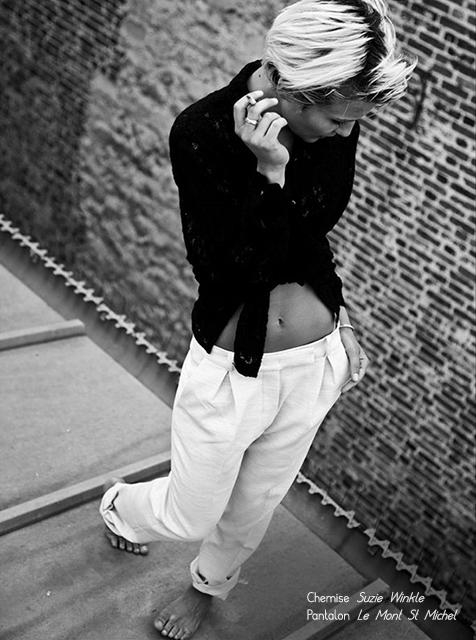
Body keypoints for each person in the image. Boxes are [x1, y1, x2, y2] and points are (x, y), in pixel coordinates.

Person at [100, 1, 416, 637]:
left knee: (256, 502)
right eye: (338, 119)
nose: (346, 134)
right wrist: (270, 172)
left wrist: (343, 322)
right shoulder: (201, 132)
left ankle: (206, 588)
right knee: (192, 513)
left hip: (316, 362)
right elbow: (234, 268)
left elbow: (311, 235)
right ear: (294, 90)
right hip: (233, 369)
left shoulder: (331, 127)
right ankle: (120, 508)